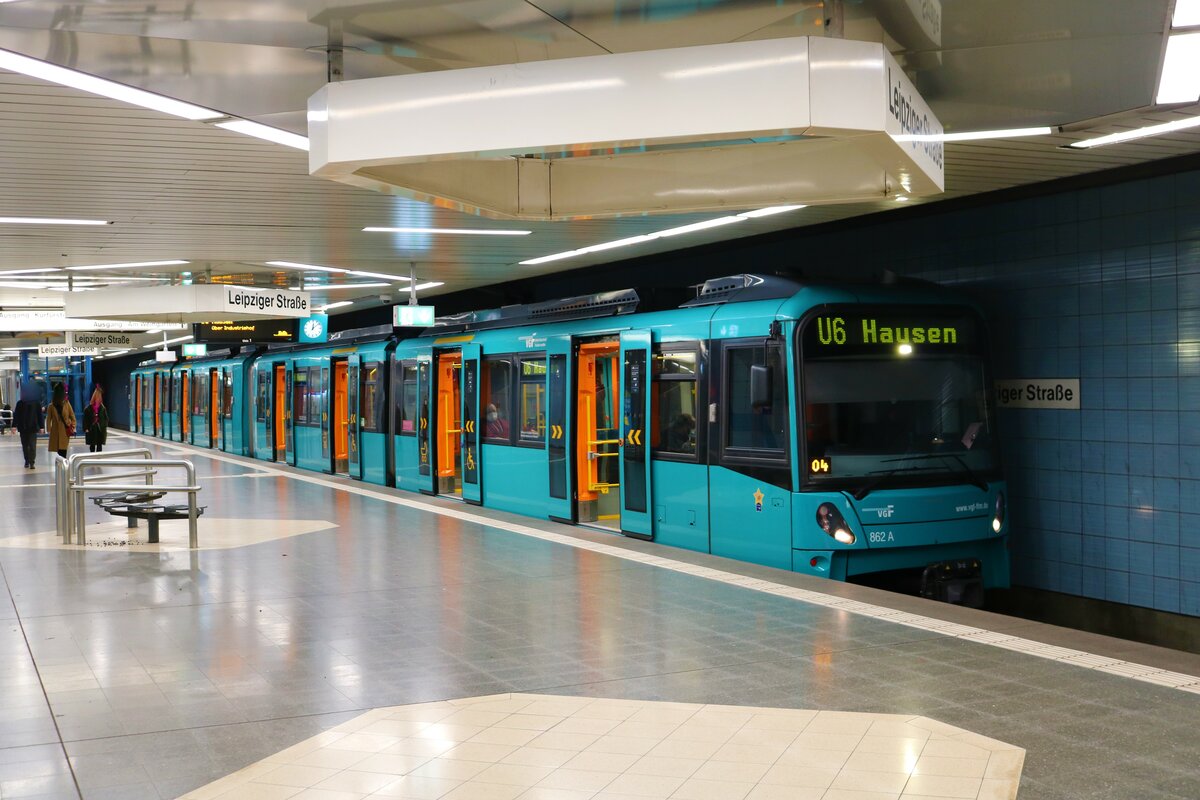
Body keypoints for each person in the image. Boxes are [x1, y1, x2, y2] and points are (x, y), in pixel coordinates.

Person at [13, 382, 43, 469]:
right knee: (25, 445)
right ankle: (27, 460)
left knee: (32, 446)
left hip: (33, 428)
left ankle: (32, 462)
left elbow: (39, 415)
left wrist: (41, 427)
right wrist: (14, 426)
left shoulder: (36, 403)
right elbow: (16, 415)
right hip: (23, 428)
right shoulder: (20, 403)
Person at [46, 383, 76, 460]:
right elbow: (48, 419)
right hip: (56, 432)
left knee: (63, 450)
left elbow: (72, 415)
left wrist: (73, 425)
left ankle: (63, 467)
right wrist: (49, 430)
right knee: (59, 451)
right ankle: (62, 467)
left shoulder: (66, 403)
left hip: (65, 431)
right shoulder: (51, 406)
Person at [83, 387, 108, 453]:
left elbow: (106, 419)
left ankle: (98, 459)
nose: (98, 398)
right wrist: (86, 428)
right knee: (92, 444)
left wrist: (104, 426)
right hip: (92, 429)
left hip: (100, 429)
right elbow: (85, 419)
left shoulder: (103, 408)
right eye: (97, 396)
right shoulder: (88, 409)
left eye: (99, 397)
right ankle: (92, 457)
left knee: (99, 445)